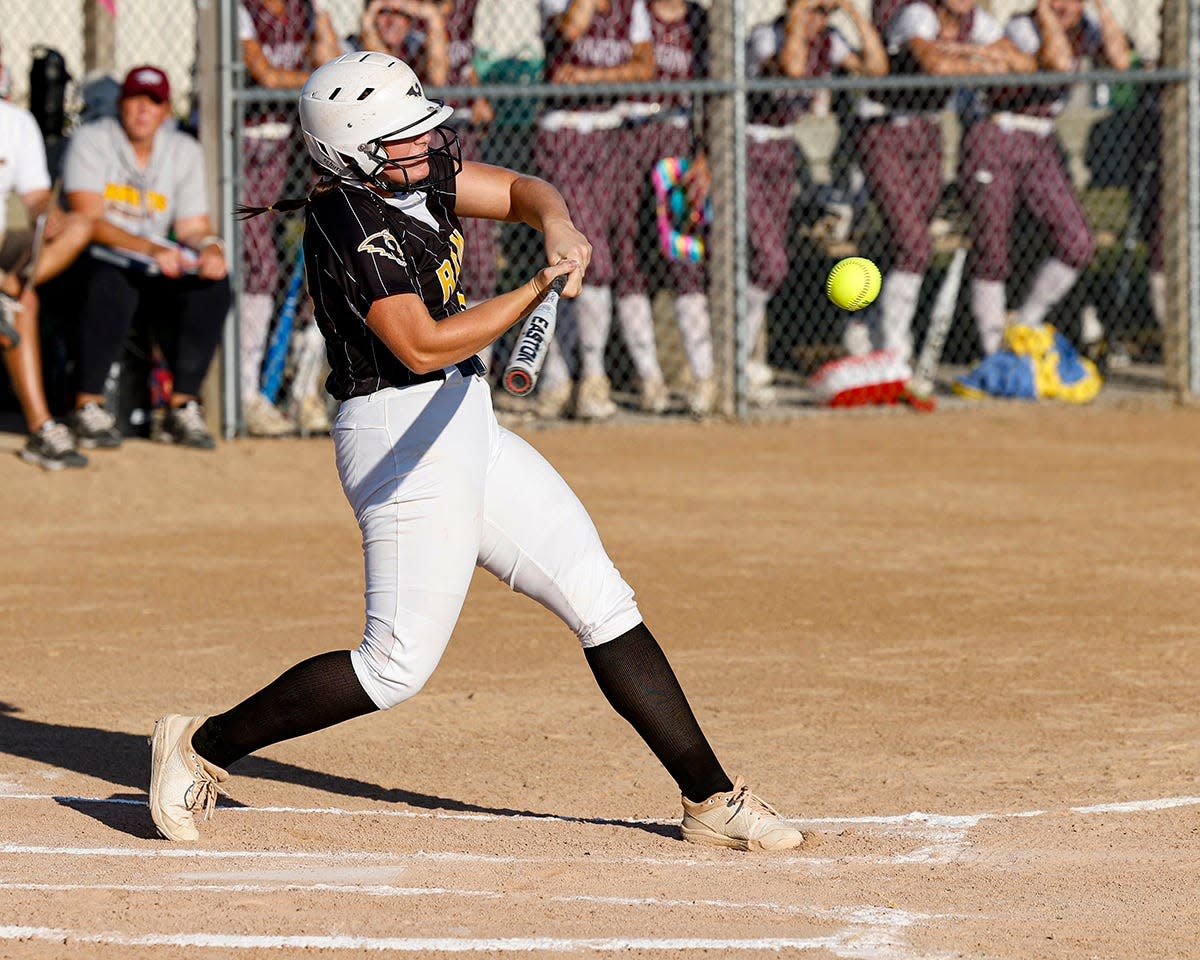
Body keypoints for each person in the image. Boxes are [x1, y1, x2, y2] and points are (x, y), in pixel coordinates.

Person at [148, 52, 803, 854]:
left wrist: (556, 227)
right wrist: (532, 290)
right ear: (349, 149)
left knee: (601, 599)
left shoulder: (416, 175)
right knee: (393, 667)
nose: (423, 147)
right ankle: (197, 747)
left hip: (466, 420)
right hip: (399, 434)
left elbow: (527, 192)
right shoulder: (349, 220)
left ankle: (710, 799)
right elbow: (419, 345)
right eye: (400, 139)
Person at [62, 65, 232, 450]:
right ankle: (87, 405)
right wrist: (151, 248)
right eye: (136, 99)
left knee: (214, 286)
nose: (143, 111)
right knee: (110, 283)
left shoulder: (183, 150)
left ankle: (182, 406)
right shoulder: (92, 140)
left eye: (153, 102)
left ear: (165, 110)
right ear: (122, 104)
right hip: (96, 258)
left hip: (155, 264)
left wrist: (209, 247)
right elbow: (86, 218)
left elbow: (191, 226)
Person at [855, 0, 1033, 363]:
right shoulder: (917, 14)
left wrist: (961, 51)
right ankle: (894, 346)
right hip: (885, 127)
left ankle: (868, 327)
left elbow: (1023, 66)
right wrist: (983, 59)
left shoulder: (974, 22)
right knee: (915, 243)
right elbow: (934, 66)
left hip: (928, 131)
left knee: (910, 243)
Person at [961, 0, 1130, 356]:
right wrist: (1045, 13)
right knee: (992, 250)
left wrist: (1102, 8)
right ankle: (994, 350)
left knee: (1078, 241)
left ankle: (1026, 324)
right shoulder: (1025, 26)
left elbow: (1120, 61)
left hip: (1040, 141)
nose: (1063, 5)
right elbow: (1057, 61)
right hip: (998, 134)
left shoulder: (1085, 27)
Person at [746, 0, 887, 397]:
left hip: (782, 151)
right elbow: (791, 68)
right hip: (746, 148)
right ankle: (737, 361)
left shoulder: (829, 39)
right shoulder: (767, 36)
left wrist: (853, 15)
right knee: (769, 262)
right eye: (812, 9)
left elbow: (876, 69)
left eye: (825, 11)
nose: (818, 19)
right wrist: (796, 17)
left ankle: (744, 360)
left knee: (764, 265)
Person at [353, 0, 500, 372]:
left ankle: (477, 365)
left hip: (429, 167)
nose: (394, 21)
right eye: (384, 12)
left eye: (401, 12)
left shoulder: (418, 43)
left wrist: (432, 20)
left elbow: (439, 75)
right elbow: (377, 66)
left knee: (474, 261)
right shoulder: (356, 57)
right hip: (381, 182)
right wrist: (370, 20)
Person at [532, 0, 656, 420]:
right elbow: (569, 31)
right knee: (582, 256)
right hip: (564, 135)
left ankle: (567, 377)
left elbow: (644, 69)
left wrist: (590, 77)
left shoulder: (630, 8)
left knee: (592, 260)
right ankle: (589, 376)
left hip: (609, 135)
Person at [606, 0, 717, 418]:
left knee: (685, 254)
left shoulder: (699, 20)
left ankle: (704, 378)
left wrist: (704, 155)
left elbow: (713, 99)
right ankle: (650, 378)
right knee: (629, 257)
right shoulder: (631, 13)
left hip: (677, 139)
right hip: (628, 132)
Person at [238, 0, 340, 437]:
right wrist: (318, 83)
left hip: (291, 151)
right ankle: (244, 394)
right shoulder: (235, 10)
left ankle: (300, 391)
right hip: (242, 148)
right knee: (260, 267)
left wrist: (322, 16)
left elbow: (333, 64)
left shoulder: (305, 8)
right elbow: (264, 75)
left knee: (315, 267)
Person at [0, 93, 92, 469]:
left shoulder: (16, 121)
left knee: (78, 224)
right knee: (24, 301)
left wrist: (47, 213)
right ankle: (6, 293)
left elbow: (36, 196)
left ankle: (42, 431)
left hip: (4, 247)